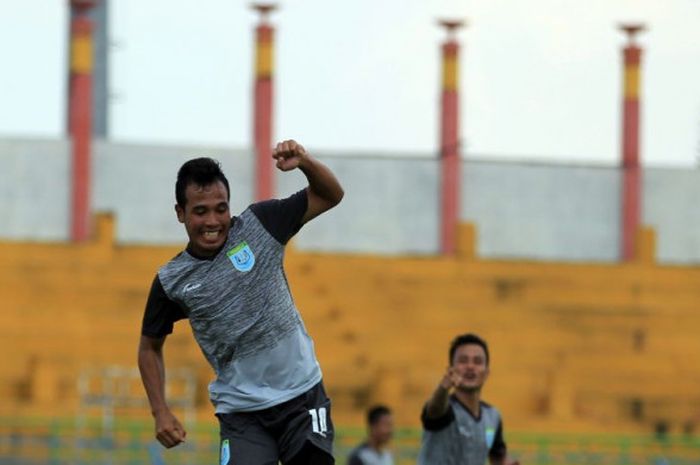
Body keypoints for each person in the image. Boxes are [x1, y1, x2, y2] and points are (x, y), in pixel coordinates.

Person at [137, 139, 344, 465]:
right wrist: (160, 411)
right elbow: (149, 347)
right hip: (243, 413)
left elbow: (332, 194)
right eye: (200, 211)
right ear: (180, 213)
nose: (213, 222)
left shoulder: (261, 224)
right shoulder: (171, 282)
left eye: (221, 208)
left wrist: (305, 162)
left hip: (302, 397)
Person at [417, 333, 519, 465]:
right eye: (463, 360)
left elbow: (496, 454)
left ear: (487, 372)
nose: (470, 366)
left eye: (477, 362)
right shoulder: (444, 410)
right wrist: (443, 388)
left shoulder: (492, 417)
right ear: (451, 370)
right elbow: (435, 410)